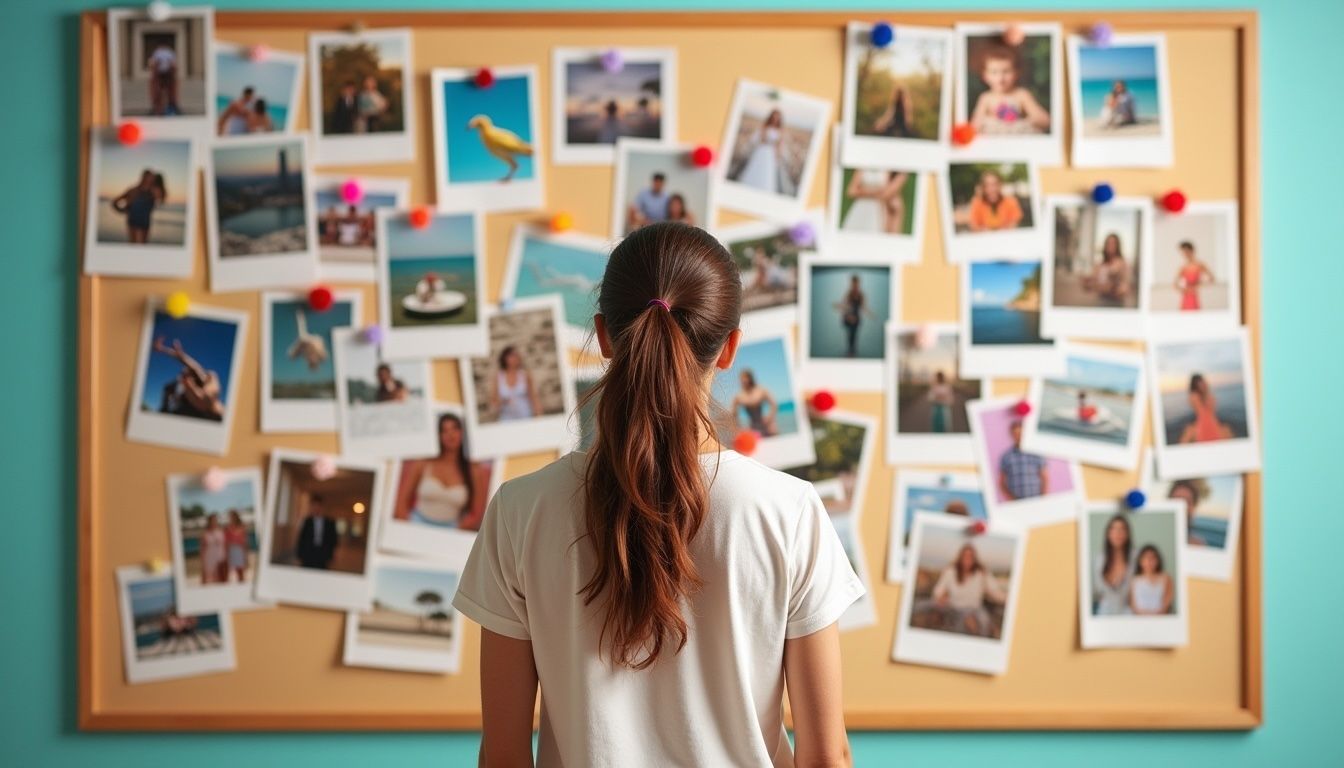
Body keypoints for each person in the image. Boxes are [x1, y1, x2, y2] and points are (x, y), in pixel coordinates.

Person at [450, 221, 863, 767]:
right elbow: (826, 756)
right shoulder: (790, 512)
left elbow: (503, 755)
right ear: (729, 347)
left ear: (604, 336)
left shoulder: (520, 511)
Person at [395, 413, 491, 530]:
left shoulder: (474, 470)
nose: (450, 434)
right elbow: (400, 503)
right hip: (416, 524)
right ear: (438, 436)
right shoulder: (423, 463)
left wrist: (453, 533)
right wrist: (408, 528)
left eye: (455, 428)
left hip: (450, 531)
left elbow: (476, 515)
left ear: (463, 432)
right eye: (444, 431)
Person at [929, 542, 1007, 637]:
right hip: (955, 608)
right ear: (960, 557)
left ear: (974, 558)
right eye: (965, 555)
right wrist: (940, 597)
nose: (967, 558)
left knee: (984, 623)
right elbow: (938, 589)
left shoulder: (982, 572)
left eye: (970, 556)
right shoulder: (950, 571)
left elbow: (994, 590)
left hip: (976, 608)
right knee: (965, 626)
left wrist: (1007, 599)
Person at [969, 45, 1050, 134]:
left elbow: (1044, 120)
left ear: (1016, 73)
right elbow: (975, 126)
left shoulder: (1021, 94)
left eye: (1006, 71)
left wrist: (1029, 120)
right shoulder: (986, 97)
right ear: (985, 76)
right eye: (994, 72)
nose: (1000, 78)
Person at [153, 336, 224, 421]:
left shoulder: (206, 380)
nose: (183, 377)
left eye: (187, 374)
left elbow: (195, 367)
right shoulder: (176, 390)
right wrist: (163, 349)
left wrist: (191, 386)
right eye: (182, 375)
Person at [734, 108, 786, 194]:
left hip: (771, 153)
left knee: (767, 172)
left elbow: (779, 144)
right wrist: (764, 139)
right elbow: (756, 139)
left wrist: (777, 155)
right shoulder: (764, 127)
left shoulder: (780, 131)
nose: (775, 119)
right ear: (771, 117)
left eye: (777, 117)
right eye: (774, 116)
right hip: (762, 150)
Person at [843, 169, 908, 234]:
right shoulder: (862, 168)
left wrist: (862, 191)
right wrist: (874, 192)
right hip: (860, 208)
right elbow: (851, 191)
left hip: (878, 209)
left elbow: (886, 193)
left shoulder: (891, 171)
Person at [111, 169, 166, 244]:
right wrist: (123, 211)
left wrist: (159, 181)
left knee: (142, 246)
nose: (151, 179)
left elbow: (162, 198)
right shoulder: (133, 190)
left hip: (145, 223)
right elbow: (115, 202)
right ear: (144, 177)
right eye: (150, 177)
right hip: (133, 222)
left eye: (153, 178)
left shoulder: (153, 191)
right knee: (134, 244)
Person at [1093, 514, 1133, 615]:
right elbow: (1097, 590)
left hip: (1130, 613)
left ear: (1128, 534)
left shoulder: (1135, 557)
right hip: (1104, 612)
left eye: (1122, 529)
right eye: (1113, 529)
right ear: (1108, 534)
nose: (1118, 533)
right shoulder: (1100, 558)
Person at [998, 420, 1048, 500]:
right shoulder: (1006, 457)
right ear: (1011, 435)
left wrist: (1044, 497)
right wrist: (1011, 499)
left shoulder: (1036, 452)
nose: (1018, 437)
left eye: (1020, 433)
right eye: (1015, 434)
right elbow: (1001, 482)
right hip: (1017, 501)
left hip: (1037, 499)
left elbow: (1045, 478)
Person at [1179, 373, 1235, 443]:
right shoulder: (1194, 396)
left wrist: (1206, 393)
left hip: (1212, 420)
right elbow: (1201, 411)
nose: (1203, 384)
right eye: (1200, 383)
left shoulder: (1208, 395)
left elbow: (1212, 409)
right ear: (1196, 385)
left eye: (1202, 381)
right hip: (1203, 422)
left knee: (1227, 430)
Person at [490, 346, 541, 421]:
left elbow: (533, 398)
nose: (515, 358)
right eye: (511, 356)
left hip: (525, 416)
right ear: (505, 358)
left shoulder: (525, 375)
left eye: (516, 356)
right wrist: (504, 401)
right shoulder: (499, 377)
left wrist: (538, 416)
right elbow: (493, 402)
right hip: (506, 418)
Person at [832, 274, 875, 358]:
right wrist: (839, 307)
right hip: (848, 317)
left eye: (856, 283)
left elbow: (863, 307)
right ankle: (850, 353)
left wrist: (870, 313)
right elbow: (844, 306)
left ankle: (852, 353)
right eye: (853, 283)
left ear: (859, 283)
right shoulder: (848, 294)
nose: (855, 285)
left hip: (856, 318)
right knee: (850, 335)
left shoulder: (861, 295)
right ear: (851, 284)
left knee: (854, 336)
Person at [1082, 233, 1133, 305]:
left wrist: (1117, 289)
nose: (1110, 246)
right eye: (1108, 243)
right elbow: (1090, 285)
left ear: (1118, 246)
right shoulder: (1099, 265)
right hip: (1101, 301)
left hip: (1116, 303)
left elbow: (1126, 287)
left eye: (1113, 243)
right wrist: (1088, 283)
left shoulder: (1123, 264)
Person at [730, 368, 778, 436]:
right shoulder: (739, 396)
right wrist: (738, 427)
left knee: (774, 433)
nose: (743, 380)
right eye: (741, 379)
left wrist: (770, 418)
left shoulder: (760, 390)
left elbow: (774, 404)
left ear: (750, 378)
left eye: (745, 378)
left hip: (765, 424)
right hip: (753, 426)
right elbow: (733, 414)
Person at [295, 495, 337, 570]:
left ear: (322, 507)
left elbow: (333, 539)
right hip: (308, 552)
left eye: (318, 506)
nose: (316, 509)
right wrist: (300, 554)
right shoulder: (307, 521)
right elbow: (302, 538)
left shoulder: (330, 522)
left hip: (323, 553)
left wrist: (331, 555)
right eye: (314, 506)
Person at [1130, 545, 1174, 615]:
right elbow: (1133, 605)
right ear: (1140, 561)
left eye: (1152, 558)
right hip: (1140, 618)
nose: (1149, 561)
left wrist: (1156, 614)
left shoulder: (1166, 578)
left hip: (1161, 618)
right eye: (1146, 558)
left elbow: (1167, 602)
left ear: (1158, 560)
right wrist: (1144, 615)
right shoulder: (1134, 581)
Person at [1167, 479, 1209, 547]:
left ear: (1193, 508)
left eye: (1187, 502)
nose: (1182, 507)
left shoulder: (1198, 545)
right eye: (1176, 500)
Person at [1174, 240, 1214, 311]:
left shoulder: (1200, 264)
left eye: (1187, 251)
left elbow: (1211, 278)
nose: (1185, 254)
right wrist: (1183, 290)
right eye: (1183, 252)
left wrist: (1199, 285)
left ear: (1192, 251)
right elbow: (1175, 284)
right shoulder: (1183, 267)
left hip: (1195, 296)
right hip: (1185, 297)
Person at [146, 42, 179, 116]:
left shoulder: (162, 52)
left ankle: (170, 107)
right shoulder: (161, 52)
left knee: (169, 92)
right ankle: (158, 109)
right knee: (158, 92)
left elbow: (172, 64)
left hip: (167, 73)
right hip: (160, 74)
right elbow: (154, 63)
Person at [198, 513, 227, 584]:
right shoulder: (205, 533)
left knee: (220, 580)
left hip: (220, 557)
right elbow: (202, 548)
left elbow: (224, 545)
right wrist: (202, 561)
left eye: (215, 520)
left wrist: (226, 557)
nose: (214, 522)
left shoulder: (221, 532)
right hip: (209, 559)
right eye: (212, 520)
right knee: (208, 579)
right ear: (209, 522)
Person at [224, 510, 250, 583]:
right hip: (231, 550)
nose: (230, 518)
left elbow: (245, 541)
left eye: (232, 516)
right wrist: (226, 554)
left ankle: (242, 584)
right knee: (232, 572)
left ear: (236, 517)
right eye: (230, 517)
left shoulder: (242, 527)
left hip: (240, 550)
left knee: (241, 571)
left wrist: (246, 555)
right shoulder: (228, 528)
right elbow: (226, 542)